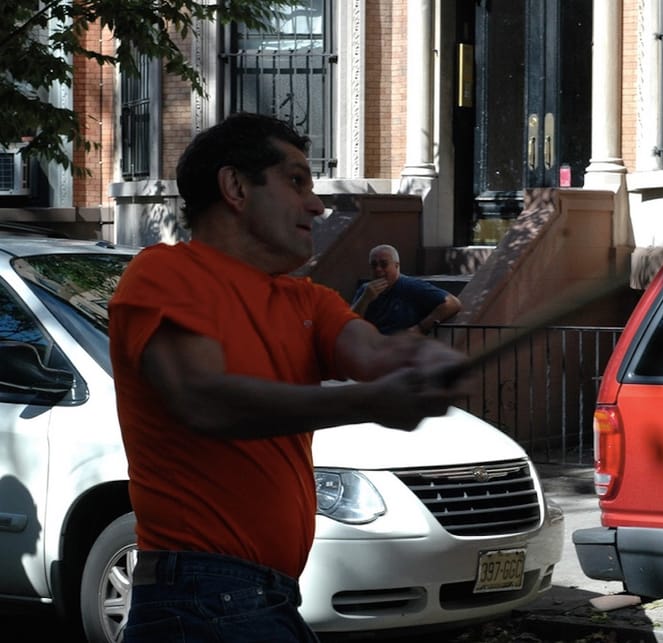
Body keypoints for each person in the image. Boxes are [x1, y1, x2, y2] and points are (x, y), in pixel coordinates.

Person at [108, 113, 468, 643]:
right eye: (296, 181)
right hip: (201, 597)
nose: (318, 205)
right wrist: (369, 402)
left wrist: (418, 362)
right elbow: (205, 402)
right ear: (234, 187)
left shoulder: (307, 301)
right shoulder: (165, 274)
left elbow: (373, 353)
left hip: (259, 598)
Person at [351, 244, 462, 334]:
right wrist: (365, 299)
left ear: (396, 265)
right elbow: (349, 324)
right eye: (374, 265)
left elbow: (452, 303)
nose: (378, 269)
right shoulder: (365, 290)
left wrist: (421, 327)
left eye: (384, 264)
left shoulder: (411, 286)